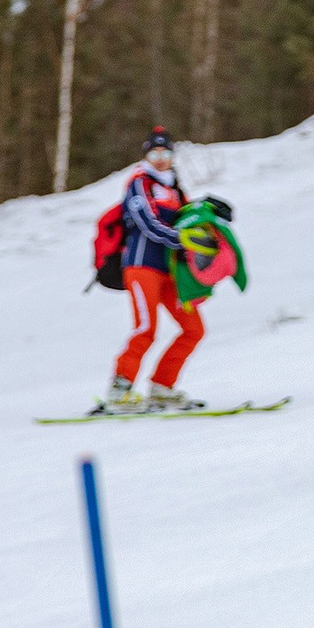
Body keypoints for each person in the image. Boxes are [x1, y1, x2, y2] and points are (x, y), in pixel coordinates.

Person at [106, 126, 204, 414]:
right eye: (154, 153)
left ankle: (162, 387)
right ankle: (119, 390)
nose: (160, 158)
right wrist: (179, 239)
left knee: (193, 328)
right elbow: (146, 222)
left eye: (165, 153)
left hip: (170, 271)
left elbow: (186, 221)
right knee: (146, 328)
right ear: (146, 155)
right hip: (141, 266)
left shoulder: (174, 188)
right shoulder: (140, 182)